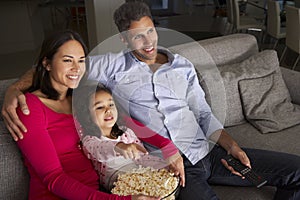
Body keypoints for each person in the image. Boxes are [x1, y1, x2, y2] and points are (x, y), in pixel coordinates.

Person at [2, 2, 300, 200]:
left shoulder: (182, 65)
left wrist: (231, 145)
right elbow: (64, 67)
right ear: (123, 40)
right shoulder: (112, 66)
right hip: (169, 165)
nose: (147, 43)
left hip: (207, 150)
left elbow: (204, 113)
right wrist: (16, 87)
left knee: (296, 172)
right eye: (137, 37)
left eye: (150, 31)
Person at [11, 29, 159, 200]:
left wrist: (171, 150)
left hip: (97, 191)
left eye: (81, 61)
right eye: (67, 60)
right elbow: (53, 179)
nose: (76, 68)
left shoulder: (81, 97)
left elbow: (124, 121)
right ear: (47, 63)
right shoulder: (29, 108)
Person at [73, 81, 185, 190]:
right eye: (100, 107)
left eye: (111, 104)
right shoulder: (90, 141)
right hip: (120, 186)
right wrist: (119, 146)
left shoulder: (126, 132)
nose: (108, 110)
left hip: (142, 177)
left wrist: (164, 168)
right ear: (86, 115)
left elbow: (143, 158)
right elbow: (101, 149)